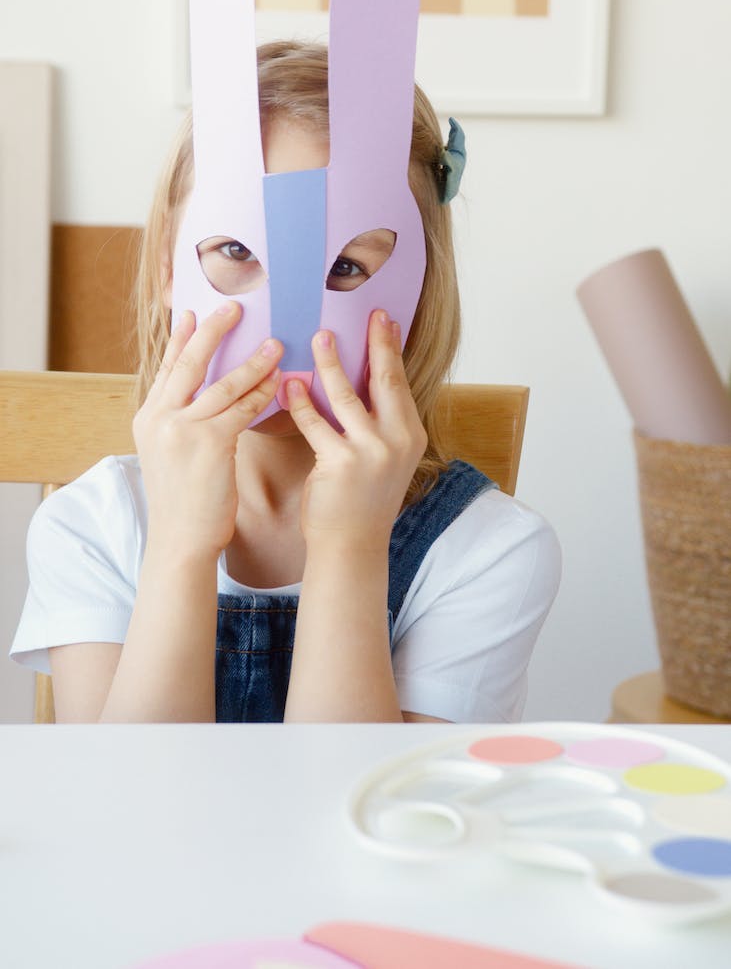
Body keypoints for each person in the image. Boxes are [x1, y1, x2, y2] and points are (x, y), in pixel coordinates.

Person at [11, 41, 560, 723]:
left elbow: (352, 808)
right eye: (235, 251)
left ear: (418, 297)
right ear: (166, 271)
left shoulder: (487, 551)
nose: (282, 326)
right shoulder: (92, 526)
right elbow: (127, 803)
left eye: (347, 269)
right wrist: (180, 541)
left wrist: (349, 548)